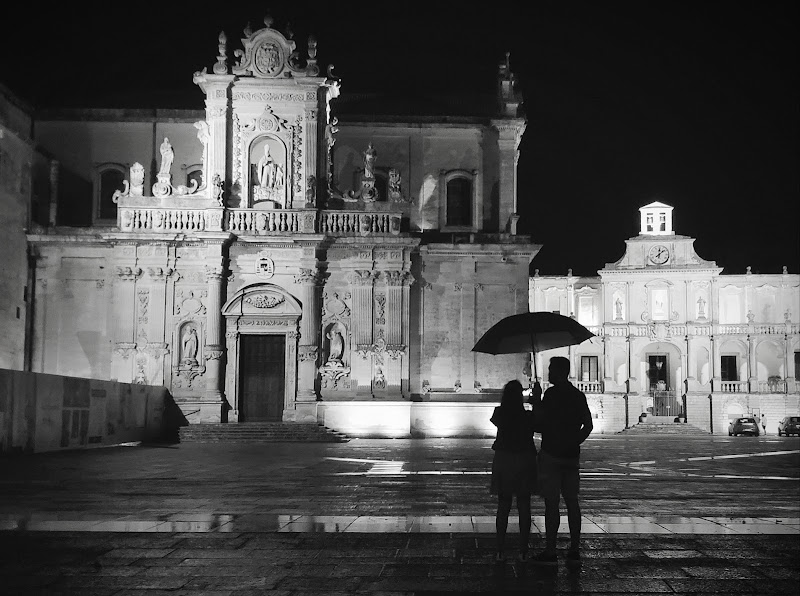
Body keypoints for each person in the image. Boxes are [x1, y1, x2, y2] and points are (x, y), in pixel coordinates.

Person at [530, 356, 593, 565]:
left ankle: (550, 550)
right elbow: (588, 424)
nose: (548, 372)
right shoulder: (577, 395)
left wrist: (536, 401)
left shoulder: (551, 394)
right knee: (572, 501)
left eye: (550, 369)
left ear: (559, 371)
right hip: (571, 455)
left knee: (551, 503)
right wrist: (575, 440)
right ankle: (574, 548)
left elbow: (539, 423)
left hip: (551, 454)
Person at [490, 380, 537, 563]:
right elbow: (537, 424)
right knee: (524, 506)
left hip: (504, 459)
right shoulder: (527, 416)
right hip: (524, 459)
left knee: (503, 505)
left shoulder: (499, 413)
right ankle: (523, 550)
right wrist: (536, 401)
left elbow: (497, 422)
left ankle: (500, 549)